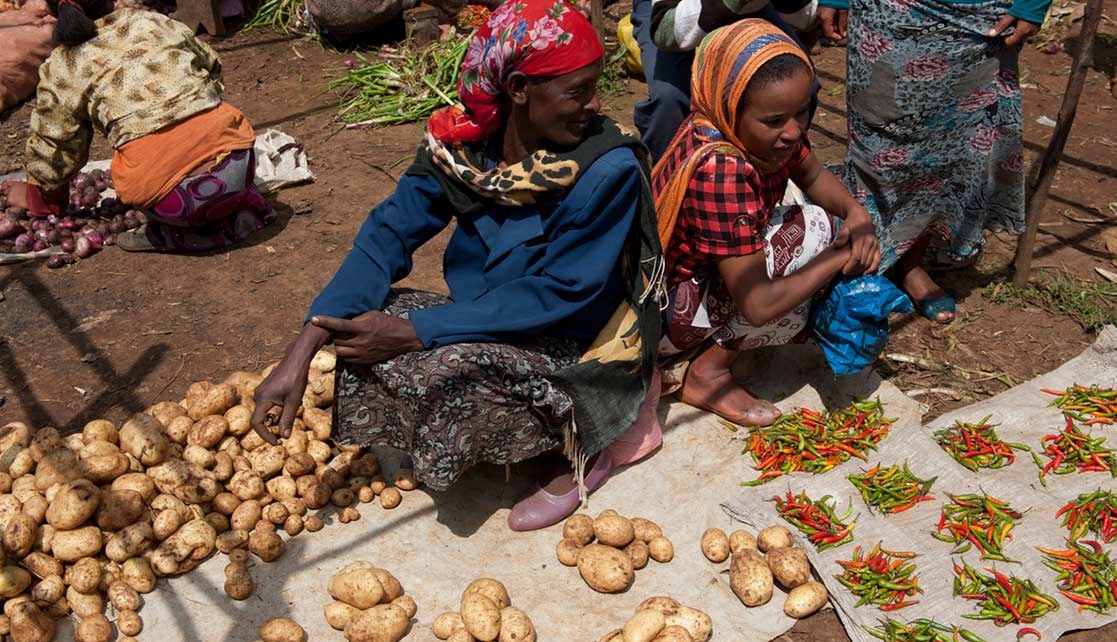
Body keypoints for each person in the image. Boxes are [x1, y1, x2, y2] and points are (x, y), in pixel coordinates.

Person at [249, 0, 663, 532]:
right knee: (360, 325)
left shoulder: (607, 170)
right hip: (490, 314)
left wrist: (418, 332)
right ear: (517, 88)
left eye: (594, 86)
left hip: (577, 338)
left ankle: (587, 440)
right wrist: (301, 349)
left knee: (443, 367)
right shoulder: (462, 150)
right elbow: (387, 235)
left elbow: (556, 293)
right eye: (577, 91)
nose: (595, 104)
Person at [653, 19, 879, 426]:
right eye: (775, 120)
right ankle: (708, 373)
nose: (793, 132)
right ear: (730, 106)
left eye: (802, 113)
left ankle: (714, 352)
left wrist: (856, 213)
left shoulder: (750, 136)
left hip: (701, 282)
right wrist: (836, 257)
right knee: (814, 234)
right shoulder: (722, 170)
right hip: (668, 316)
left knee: (826, 221)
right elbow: (758, 306)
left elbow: (811, 174)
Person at [817, 0, 1051, 323]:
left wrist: (1033, 3)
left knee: (946, 149)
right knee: (876, 142)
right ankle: (863, 260)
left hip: (977, 21)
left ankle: (910, 263)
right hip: (886, 11)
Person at [3, 0, 273, 253]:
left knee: (140, 180)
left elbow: (55, 147)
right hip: (238, 163)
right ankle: (238, 205)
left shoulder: (63, 65)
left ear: (52, 11)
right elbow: (212, 67)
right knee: (215, 146)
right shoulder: (152, 22)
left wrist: (39, 201)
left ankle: (176, 234)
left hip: (176, 202)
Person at [631, 0, 818, 162]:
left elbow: (803, 16)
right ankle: (670, 181)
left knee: (803, 82)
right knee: (669, 100)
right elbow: (665, 31)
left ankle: (779, 170)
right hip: (672, 14)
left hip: (751, 7)